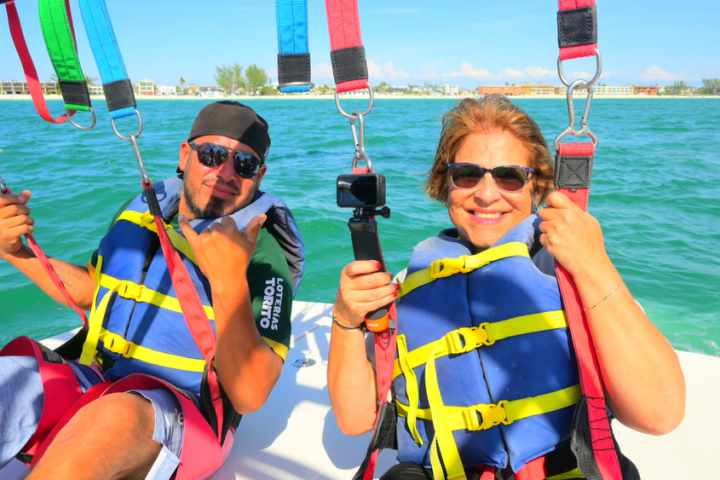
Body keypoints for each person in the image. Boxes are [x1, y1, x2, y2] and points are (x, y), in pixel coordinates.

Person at [328, 95, 685, 479]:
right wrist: (346, 319)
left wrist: (593, 265)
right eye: (467, 174)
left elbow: (659, 414)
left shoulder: (573, 274)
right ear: (443, 183)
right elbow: (355, 420)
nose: (485, 193)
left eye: (509, 176)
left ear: (537, 187)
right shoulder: (407, 289)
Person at [0, 101, 304, 480]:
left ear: (258, 177)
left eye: (245, 164)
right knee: (9, 377)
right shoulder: (143, 211)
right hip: (94, 380)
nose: (226, 172)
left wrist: (228, 281)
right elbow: (96, 290)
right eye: (212, 155)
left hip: (188, 414)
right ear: (185, 155)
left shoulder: (261, 254)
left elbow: (250, 394)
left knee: (115, 415)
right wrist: (16, 252)